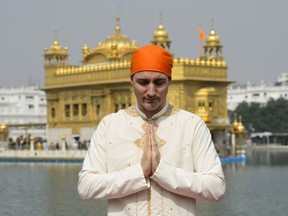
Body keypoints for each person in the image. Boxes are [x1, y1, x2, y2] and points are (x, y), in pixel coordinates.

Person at [78, 44, 226, 215]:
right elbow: (86, 187)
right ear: (131, 81)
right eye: (143, 82)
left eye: (159, 82)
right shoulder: (110, 125)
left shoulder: (191, 125)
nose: (151, 91)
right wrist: (138, 173)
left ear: (170, 81)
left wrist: (162, 172)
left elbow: (216, 188)